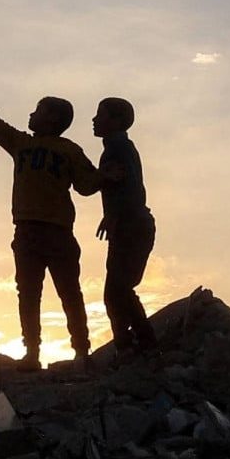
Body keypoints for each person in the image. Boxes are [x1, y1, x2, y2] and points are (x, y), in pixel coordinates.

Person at [0, 67, 104, 371]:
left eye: (38, 110)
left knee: (69, 292)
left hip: (58, 232)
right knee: (29, 293)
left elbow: (86, 186)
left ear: (50, 119)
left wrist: (106, 178)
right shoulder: (20, 143)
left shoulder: (68, 150)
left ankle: (81, 351)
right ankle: (33, 353)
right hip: (27, 231)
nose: (31, 114)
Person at [93, 97, 157, 355]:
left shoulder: (118, 148)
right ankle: (136, 345)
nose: (95, 120)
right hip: (129, 226)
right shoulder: (116, 148)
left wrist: (114, 215)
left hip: (132, 227)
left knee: (117, 291)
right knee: (118, 290)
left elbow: (130, 188)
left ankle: (138, 346)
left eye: (101, 114)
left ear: (117, 121)